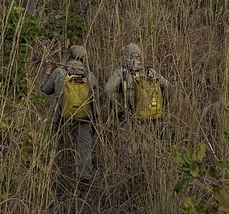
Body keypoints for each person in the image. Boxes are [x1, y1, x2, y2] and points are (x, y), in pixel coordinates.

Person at [41, 45, 99, 182]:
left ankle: (52, 173)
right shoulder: (90, 76)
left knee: (54, 144)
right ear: (84, 59)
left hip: (62, 116)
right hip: (84, 117)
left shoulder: (60, 72)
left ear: (69, 56)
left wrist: (48, 72)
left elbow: (45, 90)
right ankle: (84, 179)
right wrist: (94, 120)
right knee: (84, 150)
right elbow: (94, 101)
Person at [104, 43, 169, 122]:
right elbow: (168, 86)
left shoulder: (121, 71)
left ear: (125, 55)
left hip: (131, 117)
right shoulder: (149, 71)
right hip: (154, 116)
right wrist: (162, 103)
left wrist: (118, 103)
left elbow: (107, 89)